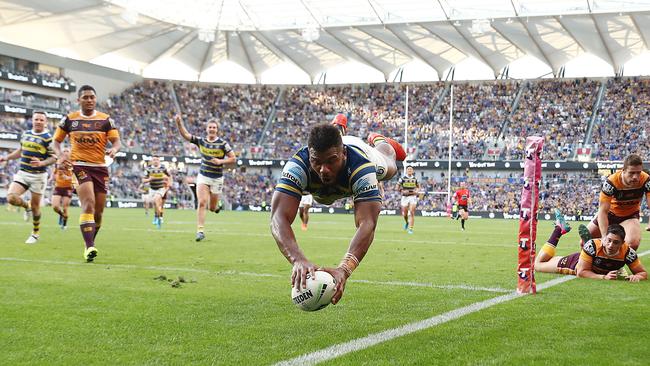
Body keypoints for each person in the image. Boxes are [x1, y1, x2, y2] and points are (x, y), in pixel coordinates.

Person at [271, 122, 406, 305]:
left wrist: (344, 269)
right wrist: (298, 260)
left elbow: (367, 223)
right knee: (323, 198)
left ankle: (378, 139)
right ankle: (337, 127)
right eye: (316, 162)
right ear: (310, 155)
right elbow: (278, 218)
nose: (323, 169)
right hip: (324, 190)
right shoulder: (298, 165)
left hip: (363, 151)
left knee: (390, 167)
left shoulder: (363, 166)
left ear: (343, 154)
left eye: (331, 161)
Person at [53, 85, 121, 262]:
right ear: (78, 100)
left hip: (100, 167)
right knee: (88, 203)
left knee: (98, 213)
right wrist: (60, 155)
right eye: (85, 97)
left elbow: (116, 141)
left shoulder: (106, 120)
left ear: (95, 99)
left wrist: (114, 149)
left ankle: (88, 243)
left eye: (92, 97)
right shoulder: (69, 120)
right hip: (78, 166)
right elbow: (56, 141)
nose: (89, 100)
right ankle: (90, 246)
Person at [536, 210, 647, 281]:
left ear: (623, 243)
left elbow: (642, 273)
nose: (610, 245)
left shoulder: (628, 252)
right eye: (608, 240)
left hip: (589, 259)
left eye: (616, 242)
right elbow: (581, 272)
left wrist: (637, 277)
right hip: (574, 264)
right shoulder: (592, 245)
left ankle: (560, 229)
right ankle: (558, 230)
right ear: (604, 238)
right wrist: (604, 277)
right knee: (538, 265)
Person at [175, 114, 236, 241]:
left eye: (214, 127)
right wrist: (179, 124)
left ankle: (216, 207)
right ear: (206, 129)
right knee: (202, 202)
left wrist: (220, 162)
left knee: (212, 208)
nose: (212, 129)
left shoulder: (223, 144)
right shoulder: (201, 141)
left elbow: (233, 158)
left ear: (217, 130)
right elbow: (186, 136)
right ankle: (200, 231)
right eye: (210, 127)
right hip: (203, 176)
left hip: (217, 178)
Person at [0, 111, 57, 243]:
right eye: (36, 119)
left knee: (37, 207)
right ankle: (27, 206)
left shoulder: (48, 138)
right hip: (23, 173)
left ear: (45, 122)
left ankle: (35, 233)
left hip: (38, 176)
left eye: (41, 120)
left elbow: (54, 157)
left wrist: (41, 163)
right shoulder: (25, 134)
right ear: (32, 120)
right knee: (11, 198)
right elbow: (20, 151)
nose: (38, 122)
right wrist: (6, 158)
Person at [587, 154, 650, 250]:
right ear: (623, 171)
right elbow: (603, 211)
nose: (636, 177)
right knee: (586, 241)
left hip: (630, 215)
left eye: (638, 173)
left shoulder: (646, 180)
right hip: (610, 214)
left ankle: (616, 263)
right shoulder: (611, 182)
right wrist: (604, 237)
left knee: (633, 244)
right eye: (632, 173)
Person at [143, 156, 171, 229]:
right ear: (152, 161)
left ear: (159, 161)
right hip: (152, 189)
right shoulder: (148, 169)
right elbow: (143, 180)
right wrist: (149, 179)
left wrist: (169, 183)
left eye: (157, 159)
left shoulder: (163, 168)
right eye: (154, 159)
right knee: (155, 204)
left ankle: (159, 217)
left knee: (157, 199)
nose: (156, 161)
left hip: (160, 189)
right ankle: (157, 216)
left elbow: (169, 176)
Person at [51, 147, 74, 229]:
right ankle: (61, 215)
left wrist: (68, 178)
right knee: (55, 207)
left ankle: (64, 223)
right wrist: (52, 177)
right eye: (64, 151)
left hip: (68, 187)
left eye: (67, 151)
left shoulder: (73, 163)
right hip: (58, 186)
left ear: (70, 153)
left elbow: (76, 176)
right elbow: (54, 172)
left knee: (65, 207)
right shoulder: (58, 162)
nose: (65, 152)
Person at [397, 165, 419, 234]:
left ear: (412, 171)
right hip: (405, 197)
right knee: (405, 214)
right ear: (406, 171)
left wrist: (417, 191)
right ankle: (407, 222)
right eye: (408, 169)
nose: (409, 170)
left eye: (411, 169)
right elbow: (397, 187)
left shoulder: (415, 179)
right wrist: (402, 191)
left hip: (412, 197)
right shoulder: (402, 178)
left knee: (412, 212)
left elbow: (418, 187)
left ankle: (411, 229)